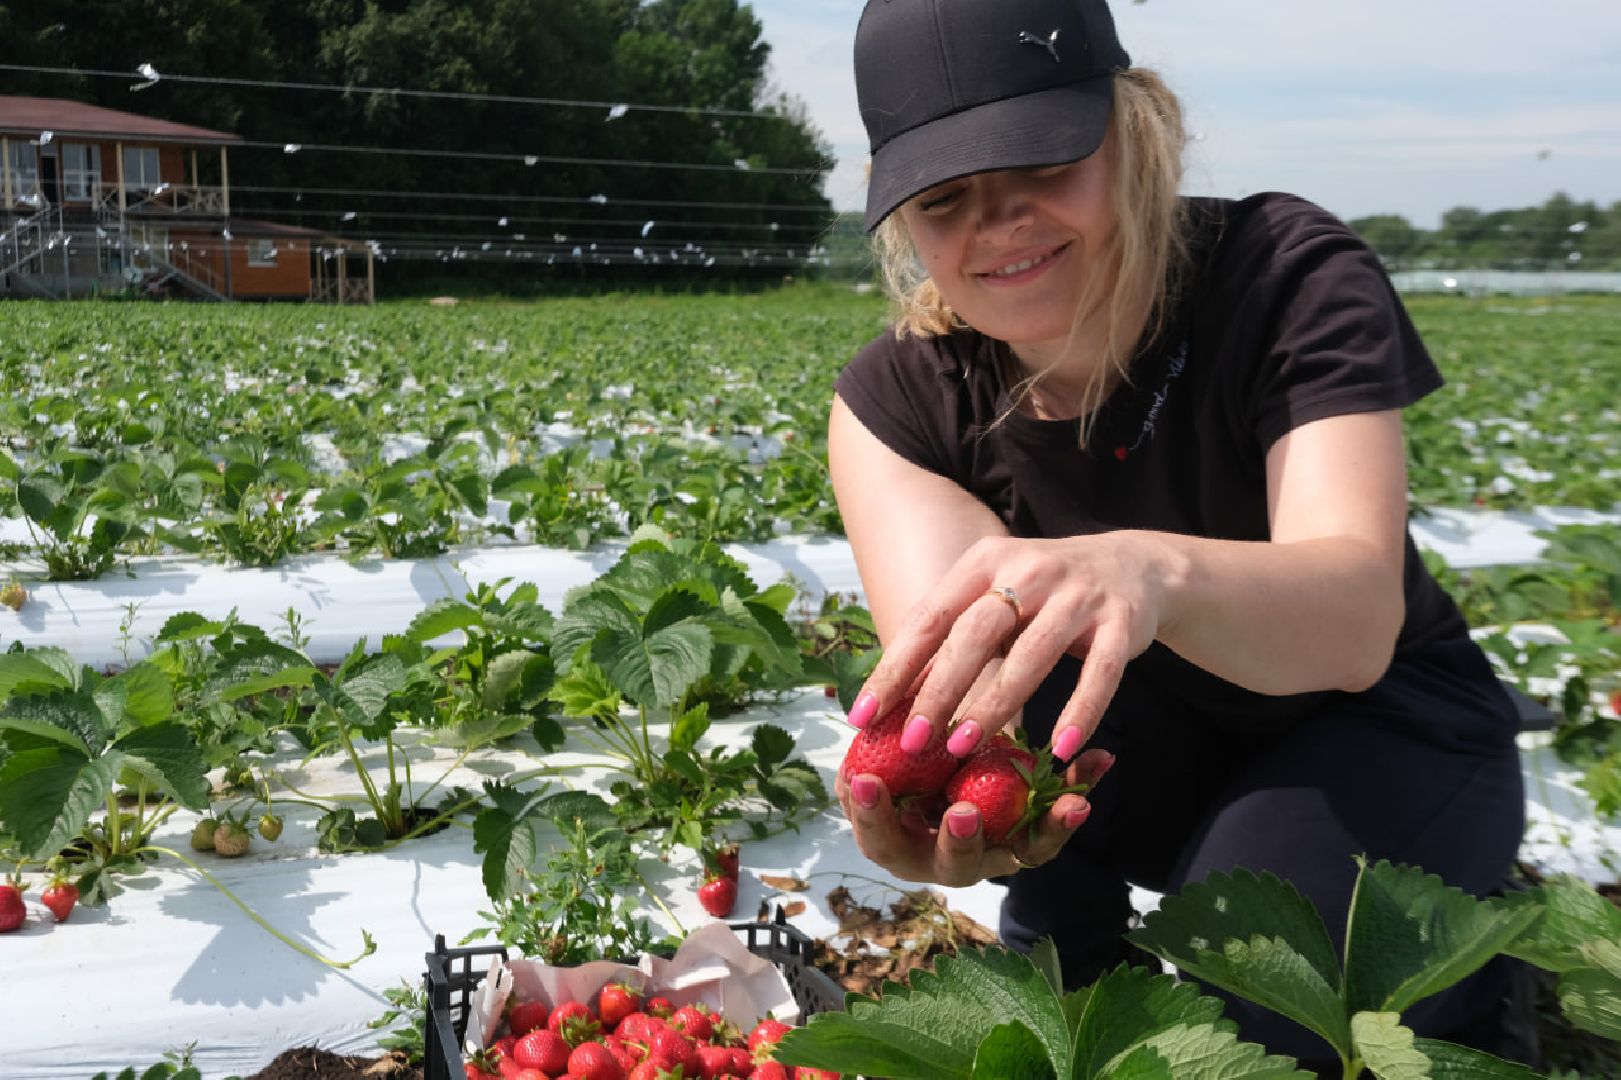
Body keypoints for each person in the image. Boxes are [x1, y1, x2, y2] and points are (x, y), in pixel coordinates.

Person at [828, 0, 1532, 1068]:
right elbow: (966, 705)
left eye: (1041, 165)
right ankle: (1081, 961)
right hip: (1138, 747)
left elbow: (1352, 620)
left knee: (1263, 991)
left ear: (1134, 126)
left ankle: (1467, 984)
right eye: (945, 198)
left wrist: (1144, 567)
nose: (999, 222)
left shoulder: (1280, 275)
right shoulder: (902, 401)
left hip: (1376, 717)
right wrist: (931, 798)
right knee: (1006, 664)